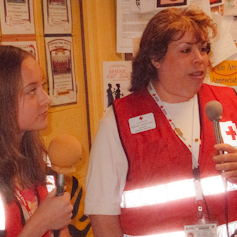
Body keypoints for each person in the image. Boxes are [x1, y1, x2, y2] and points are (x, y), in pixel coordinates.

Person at [85, 5, 237, 237]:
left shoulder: (229, 101)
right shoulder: (120, 119)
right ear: (155, 57)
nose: (200, 59)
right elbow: (102, 211)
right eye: (186, 51)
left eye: (204, 49)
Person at [0, 45, 73, 237]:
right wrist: (42, 221)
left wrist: (55, 217)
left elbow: (60, 230)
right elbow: (48, 219)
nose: (46, 99)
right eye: (32, 90)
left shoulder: (43, 160)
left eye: (43, 86)